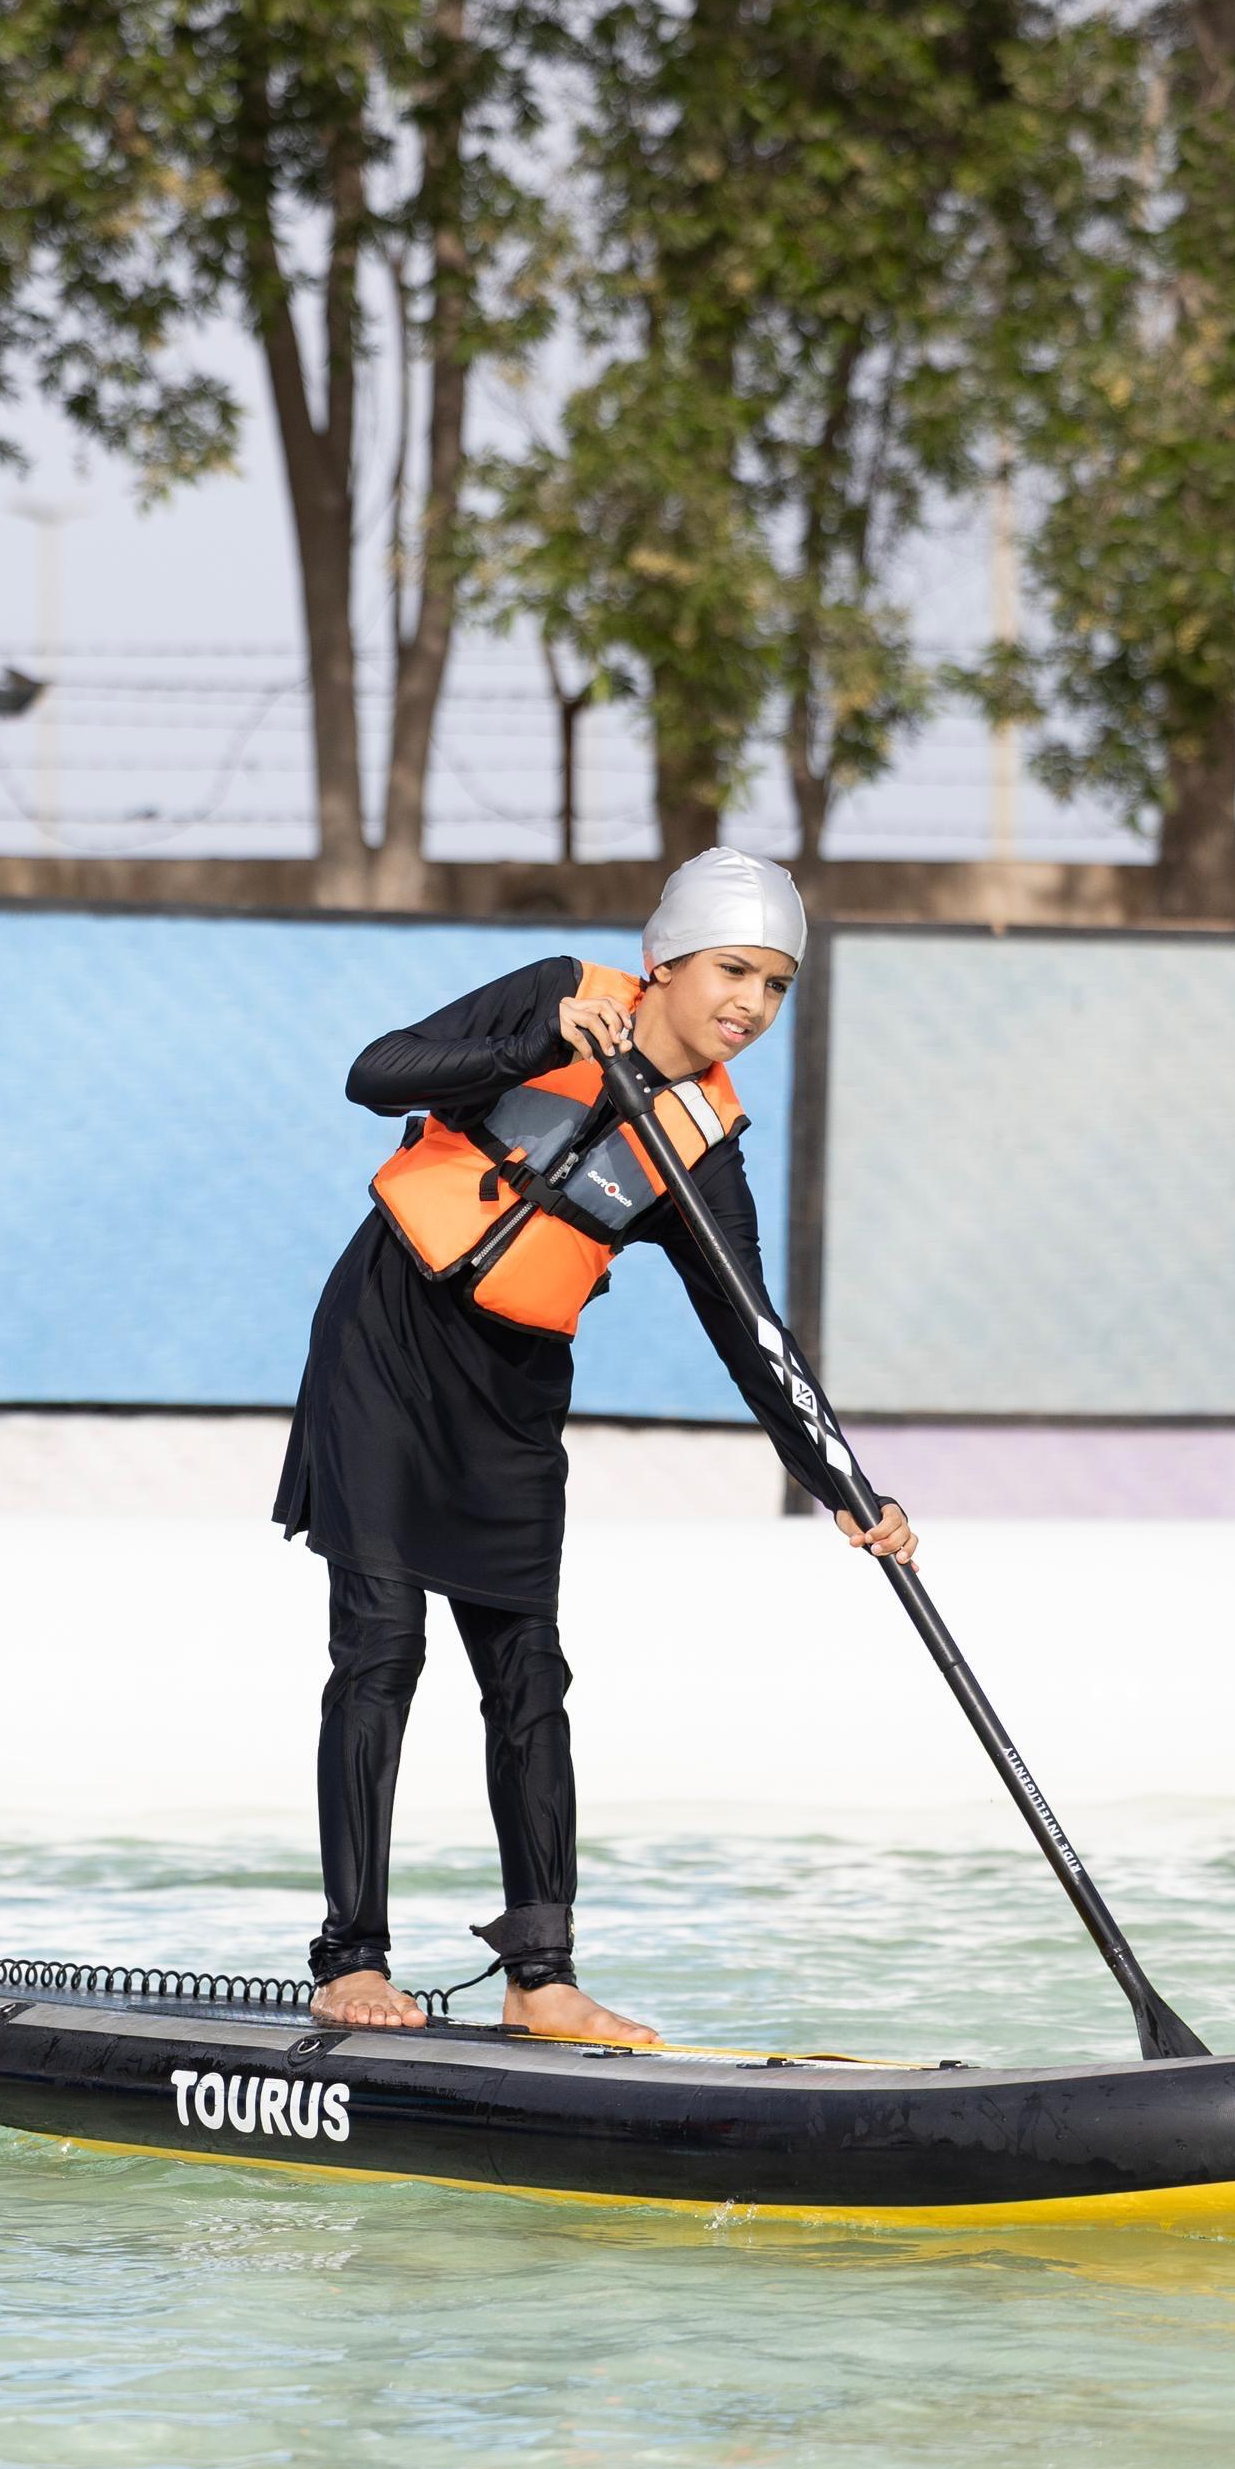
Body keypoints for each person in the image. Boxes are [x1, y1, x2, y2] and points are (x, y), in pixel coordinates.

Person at [275, 847, 917, 2041]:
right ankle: (350, 1956)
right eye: (732, 969)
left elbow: (748, 1325)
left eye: (775, 985)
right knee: (381, 1646)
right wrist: (529, 1044)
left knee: (529, 1673)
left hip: (511, 1390)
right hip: (387, 1338)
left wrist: (841, 1481)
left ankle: (541, 1974)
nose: (748, 1003)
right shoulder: (554, 994)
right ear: (661, 959)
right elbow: (376, 1073)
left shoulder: (699, 1145)